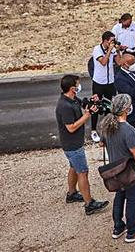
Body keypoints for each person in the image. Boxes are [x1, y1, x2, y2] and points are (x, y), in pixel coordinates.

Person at [98, 94, 135, 243]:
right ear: (127, 109)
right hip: (129, 170)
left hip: (115, 169)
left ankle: (118, 226)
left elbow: (102, 143)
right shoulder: (128, 130)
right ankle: (133, 231)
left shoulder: (106, 126)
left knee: (119, 196)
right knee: (132, 198)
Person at [54, 74, 109, 215]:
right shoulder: (65, 106)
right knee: (82, 171)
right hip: (72, 145)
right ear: (73, 88)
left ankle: (72, 193)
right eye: (77, 85)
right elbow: (70, 127)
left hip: (72, 144)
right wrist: (87, 115)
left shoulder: (71, 99)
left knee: (74, 167)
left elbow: (82, 103)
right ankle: (89, 203)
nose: (79, 86)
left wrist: (91, 101)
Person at [90, 31, 117, 143]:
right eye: (111, 41)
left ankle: (106, 129)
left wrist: (119, 51)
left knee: (109, 105)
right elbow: (103, 62)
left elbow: (119, 62)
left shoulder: (113, 49)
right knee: (96, 105)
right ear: (105, 41)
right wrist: (110, 50)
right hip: (99, 82)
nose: (113, 43)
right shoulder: (97, 49)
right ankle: (93, 130)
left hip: (110, 82)